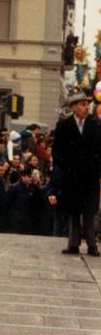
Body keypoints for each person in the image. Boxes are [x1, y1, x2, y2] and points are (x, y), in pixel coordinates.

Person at [52, 92, 101, 256]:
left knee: (89, 210)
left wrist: (96, 168)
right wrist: (62, 170)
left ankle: (92, 244)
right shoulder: (64, 125)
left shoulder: (96, 124)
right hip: (71, 176)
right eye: (82, 104)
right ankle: (73, 243)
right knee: (73, 210)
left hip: (90, 176)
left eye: (87, 104)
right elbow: (57, 152)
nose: (86, 107)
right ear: (73, 107)